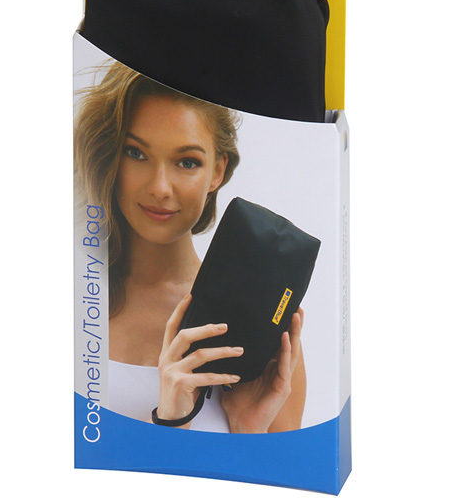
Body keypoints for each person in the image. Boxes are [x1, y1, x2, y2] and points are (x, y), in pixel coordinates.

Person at [74, 61, 305, 433]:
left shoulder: (260, 324)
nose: (160, 187)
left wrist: (248, 427)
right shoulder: (77, 295)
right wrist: (172, 421)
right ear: (110, 157)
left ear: (218, 171)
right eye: (136, 153)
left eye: (187, 162)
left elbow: (282, 471)